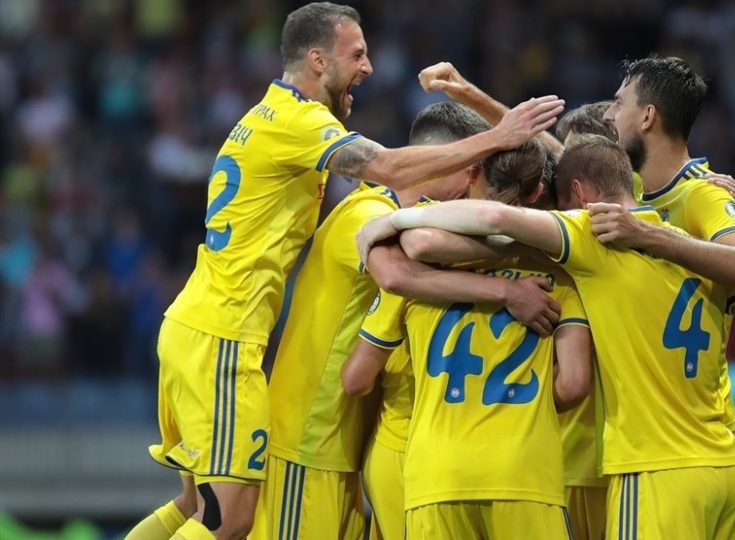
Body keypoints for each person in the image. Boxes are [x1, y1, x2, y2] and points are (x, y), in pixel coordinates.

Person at [127, 2, 565, 539]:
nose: (368, 67)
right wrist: (500, 141)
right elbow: (390, 187)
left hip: (211, 330)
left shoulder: (273, 118)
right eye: (356, 54)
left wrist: (478, 103)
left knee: (194, 504)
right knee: (228, 519)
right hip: (234, 348)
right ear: (318, 60)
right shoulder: (323, 152)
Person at [358, 136, 735, 538]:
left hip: (649, 469)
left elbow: (477, 224)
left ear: (578, 197)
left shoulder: (592, 247)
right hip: (725, 469)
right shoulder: (708, 255)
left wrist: (397, 217)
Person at [252, 102, 562, 540]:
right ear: (442, 160)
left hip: (348, 442)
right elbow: (398, 276)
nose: (472, 184)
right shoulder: (366, 214)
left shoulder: (403, 219)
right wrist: (511, 288)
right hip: (307, 439)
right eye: (470, 167)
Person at [342, 145, 592, 540]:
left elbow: (355, 379)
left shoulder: (416, 275)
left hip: (435, 473)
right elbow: (574, 384)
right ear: (537, 193)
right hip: (524, 471)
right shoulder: (558, 278)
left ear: (472, 175)